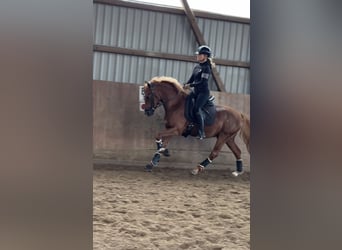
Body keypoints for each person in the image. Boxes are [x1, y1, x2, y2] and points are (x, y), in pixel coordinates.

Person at [184, 45, 213, 139]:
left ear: (205, 56)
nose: (197, 56)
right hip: (195, 91)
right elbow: (192, 78)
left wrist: (191, 85)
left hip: (203, 93)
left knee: (197, 108)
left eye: (199, 54)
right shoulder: (197, 66)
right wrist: (186, 84)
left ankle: (201, 132)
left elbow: (202, 82)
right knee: (186, 100)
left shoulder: (206, 68)